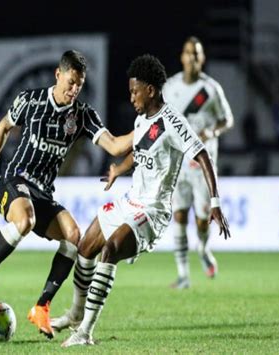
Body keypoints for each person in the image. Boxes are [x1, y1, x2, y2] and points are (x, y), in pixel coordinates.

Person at [50, 54, 230, 347]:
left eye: (135, 91)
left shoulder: (173, 121)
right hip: (130, 201)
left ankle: (85, 332)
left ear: (150, 90)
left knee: (109, 251)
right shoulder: (143, 119)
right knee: (86, 246)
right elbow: (140, 148)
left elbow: (202, 154)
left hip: (152, 211)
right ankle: (74, 313)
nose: (131, 96)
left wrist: (215, 202)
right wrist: (118, 170)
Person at [0, 50, 133, 339]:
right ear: (58, 74)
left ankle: (41, 306)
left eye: (79, 84)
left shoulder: (82, 115)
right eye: (70, 82)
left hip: (42, 192)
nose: (74, 89)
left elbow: (116, 146)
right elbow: (3, 127)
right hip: (13, 180)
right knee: (25, 220)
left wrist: (144, 128)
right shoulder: (30, 100)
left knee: (73, 236)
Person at [162, 37, 233, 288]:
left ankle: (202, 250)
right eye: (188, 52)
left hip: (202, 165)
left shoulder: (211, 89)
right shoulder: (169, 87)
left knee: (203, 220)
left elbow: (227, 119)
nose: (192, 57)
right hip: (178, 163)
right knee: (179, 216)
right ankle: (183, 275)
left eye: (197, 53)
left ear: (202, 59)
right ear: (182, 56)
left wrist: (212, 132)